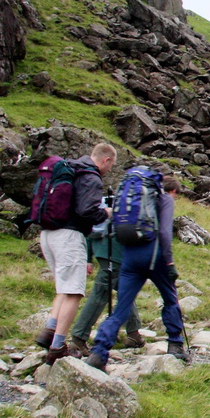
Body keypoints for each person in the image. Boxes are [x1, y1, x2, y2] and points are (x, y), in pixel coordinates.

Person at [87, 175, 184, 371]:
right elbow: (165, 232)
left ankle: (99, 351)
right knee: (170, 298)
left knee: (122, 307)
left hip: (130, 255)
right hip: (154, 254)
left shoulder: (130, 200)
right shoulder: (164, 200)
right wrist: (170, 261)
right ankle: (175, 344)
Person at [35, 143, 116, 365]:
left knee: (63, 287)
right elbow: (87, 211)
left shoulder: (72, 169)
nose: (109, 170)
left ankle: (49, 331)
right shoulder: (91, 176)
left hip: (48, 234)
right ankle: (57, 346)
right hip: (69, 236)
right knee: (73, 292)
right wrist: (106, 212)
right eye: (111, 165)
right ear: (106, 160)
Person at [67, 206, 144, 357]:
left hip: (101, 249)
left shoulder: (103, 204)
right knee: (100, 294)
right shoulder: (130, 203)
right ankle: (79, 337)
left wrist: (88, 257)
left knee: (125, 290)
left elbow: (89, 228)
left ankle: (133, 334)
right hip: (116, 253)